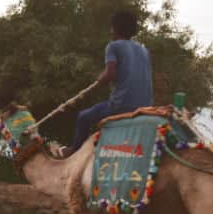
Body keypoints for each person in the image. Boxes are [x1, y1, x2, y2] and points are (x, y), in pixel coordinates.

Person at [64, 11, 153, 156]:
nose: (110, 31)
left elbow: (110, 73)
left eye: (111, 27)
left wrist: (98, 80)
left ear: (116, 28)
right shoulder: (144, 50)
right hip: (146, 107)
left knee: (83, 117)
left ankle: (75, 151)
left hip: (121, 105)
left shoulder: (113, 46)